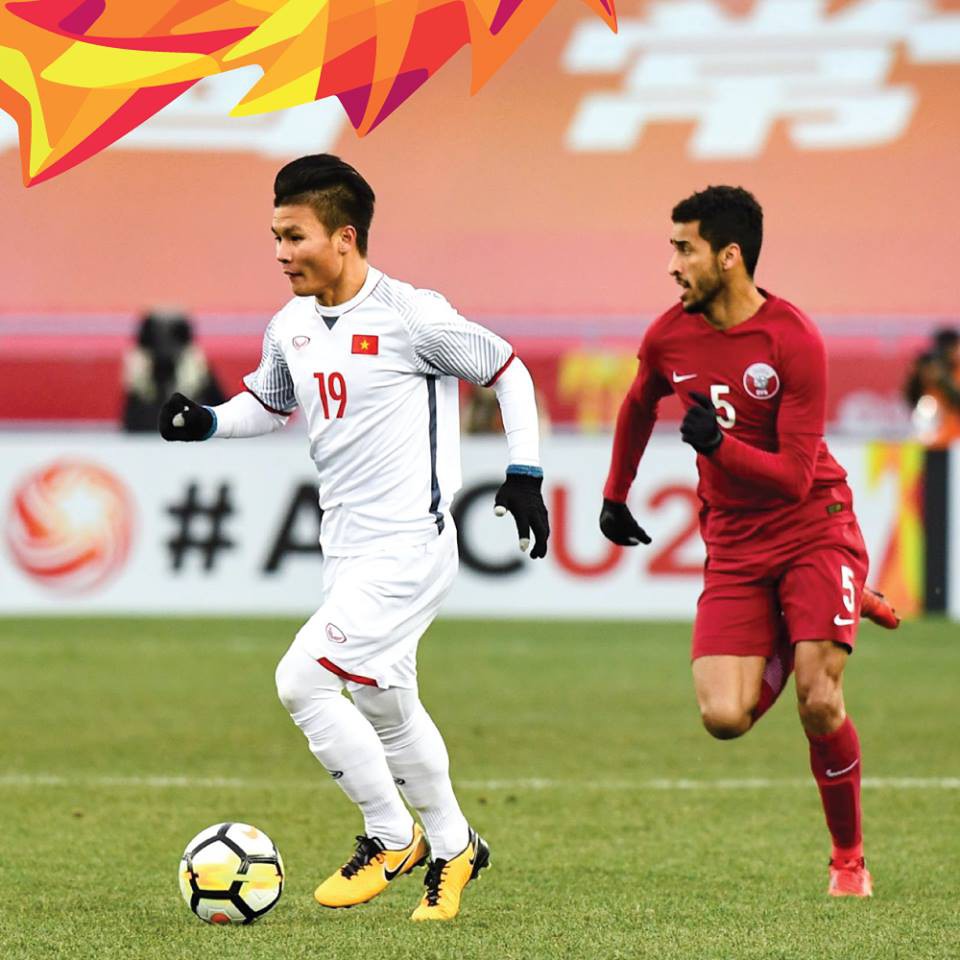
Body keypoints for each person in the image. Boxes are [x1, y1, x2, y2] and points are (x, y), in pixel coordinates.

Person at [158, 154, 549, 921]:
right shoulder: (291, 326)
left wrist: (524, 471)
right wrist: (205, 422)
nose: (281, 253)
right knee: (384, 700)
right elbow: (270, 405)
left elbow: (508, 370)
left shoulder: (412, 316)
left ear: (344, 237)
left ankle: (391, 834)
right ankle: (455, 846)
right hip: (345, 550)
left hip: (411, 546)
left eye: (294, 236)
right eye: (275, 237)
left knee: (302, 681)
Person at [599, 186, 898, 899]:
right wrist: (615, 494)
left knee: (818, 699)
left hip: (813, 527)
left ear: (728, 256)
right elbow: (639, 403)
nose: (673, 265)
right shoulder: (669, 336)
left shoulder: (793, 340)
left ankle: (848, 860)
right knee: (724, 718)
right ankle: (823, 615)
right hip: (734, 543)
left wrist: (718, 447)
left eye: (685, 249)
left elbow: (794, 478)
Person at [121, 308, 224, 431]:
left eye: (173, 340)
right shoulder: (140, 370)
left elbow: (221, 417)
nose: (165, 347)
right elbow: (132, 424)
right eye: (158, 340)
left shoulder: (196, 368)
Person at [903, 327, 960, 447]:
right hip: (932, 440)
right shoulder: (929, 368)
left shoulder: (955, 372)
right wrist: (916, 376)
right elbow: (912, 400)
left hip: (955, 441)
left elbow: (956, 402)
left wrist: (942, 380)